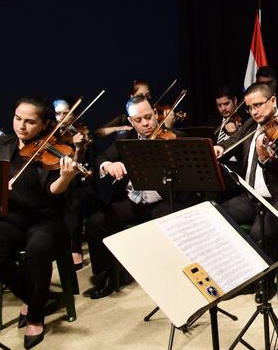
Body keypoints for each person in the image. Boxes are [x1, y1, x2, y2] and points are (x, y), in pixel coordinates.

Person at [0, 97, 82, 349]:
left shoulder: (54, 149)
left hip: (47, 216)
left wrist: (65, 177)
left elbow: (53, 190)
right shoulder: (3, 144)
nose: (21, 126)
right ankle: (35, 295)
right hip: (11, 216)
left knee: (39, 249)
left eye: (30, 121)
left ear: (45, 124)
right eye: (17, 118)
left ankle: (35, 315)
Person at [84, 95, 196, 299]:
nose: (146, 123)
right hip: (133, 202)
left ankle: (178, 279)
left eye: (148, 116)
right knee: (95, 222)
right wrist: (108, 165)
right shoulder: (124, 139)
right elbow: (101, 158)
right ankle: (107, 278)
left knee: (172, 222)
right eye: (138, 120)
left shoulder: (175, 137)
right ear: (130, 122)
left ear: (155, 114)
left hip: (163, 201)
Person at [218, 82, 278, 299]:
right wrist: (221, 147)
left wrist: (266, 158)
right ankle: (241, 272)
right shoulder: (251, 124)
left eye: (258, 105)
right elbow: (234, 139)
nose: (254, 111)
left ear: (273, 101)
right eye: (249, 107)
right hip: (252, 196)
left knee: (261, 232)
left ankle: (265, 284)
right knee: (218, 216)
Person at [54, 98, 97, 269]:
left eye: (67, 113)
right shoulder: (50, 135)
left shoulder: (80, 133)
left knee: (76, 198)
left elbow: (79, 164)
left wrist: (80, 148)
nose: (63, 117)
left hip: (77, 180)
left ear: (73, 115)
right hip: (53, 179)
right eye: (58, 113)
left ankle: (76, 247)